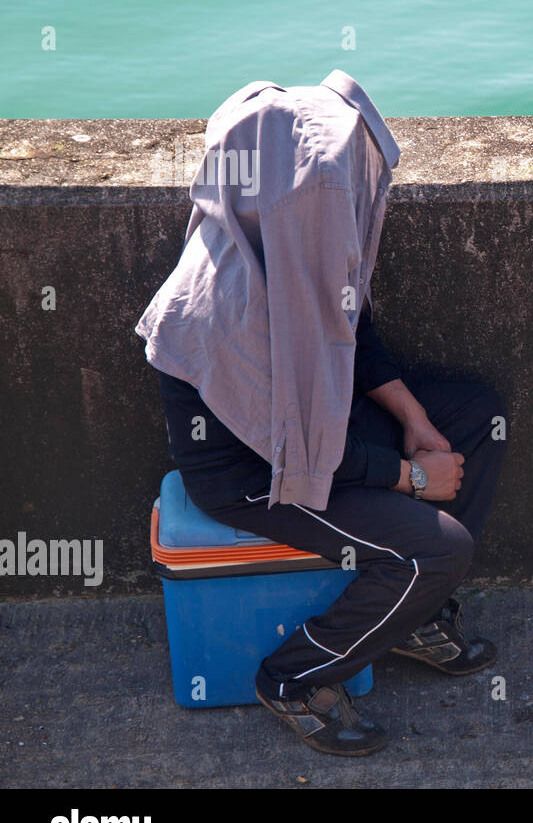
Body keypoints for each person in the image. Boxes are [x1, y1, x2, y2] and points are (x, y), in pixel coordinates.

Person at [135, 70, 507, 756]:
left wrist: (416, 418)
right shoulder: (218, 311)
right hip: (256, 470)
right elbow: (298, 453)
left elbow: (345, 329)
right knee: (438, 548)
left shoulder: (282, 232)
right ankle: (294, 676)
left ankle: (413, 615)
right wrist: (411, 479)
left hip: (311, 429)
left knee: (478, 417)